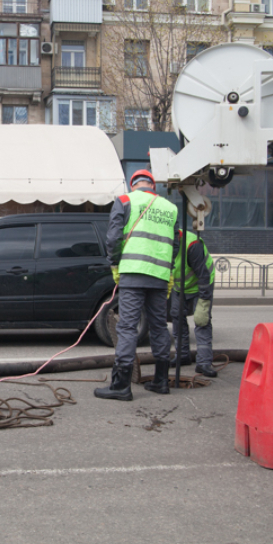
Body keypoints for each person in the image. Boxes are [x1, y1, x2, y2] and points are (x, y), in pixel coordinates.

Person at [95, 169, 179, 401]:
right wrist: (168, 270)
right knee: (159, 327)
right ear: (152, 186)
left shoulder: (124, 200)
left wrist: (115, 263)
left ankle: (121, 385)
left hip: (134, 271)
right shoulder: (170, 207)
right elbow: (175, 244)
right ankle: (161, 381)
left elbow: (113, 239)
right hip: (160, 275)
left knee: (128, 327)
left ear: (134, 185)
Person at [170, 229, 217, 378]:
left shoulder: (192, 244)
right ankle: (182, 356)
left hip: (200, 284)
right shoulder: (161, 242)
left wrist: (204, 301)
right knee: (177, 318)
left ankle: (204, 362)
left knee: (201, 321)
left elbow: (203, 275)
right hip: (179, 286)